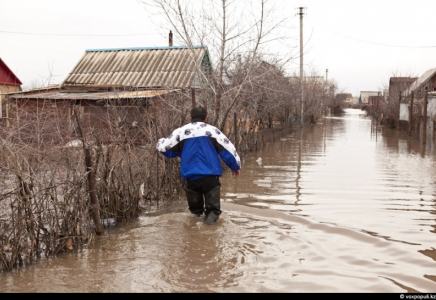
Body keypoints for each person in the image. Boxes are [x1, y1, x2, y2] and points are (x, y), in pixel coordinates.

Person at [156, 106, 241, 225]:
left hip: (191, 178)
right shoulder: (213, 131)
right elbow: (228, 150)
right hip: (210, 178)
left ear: (190, 117)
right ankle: (208, 233)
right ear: (206, 118)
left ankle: (194, 236)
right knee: (213, 212)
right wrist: (235, 167)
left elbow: (164, 148)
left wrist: (160, 140)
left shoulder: (181, 132)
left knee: (195, 213)